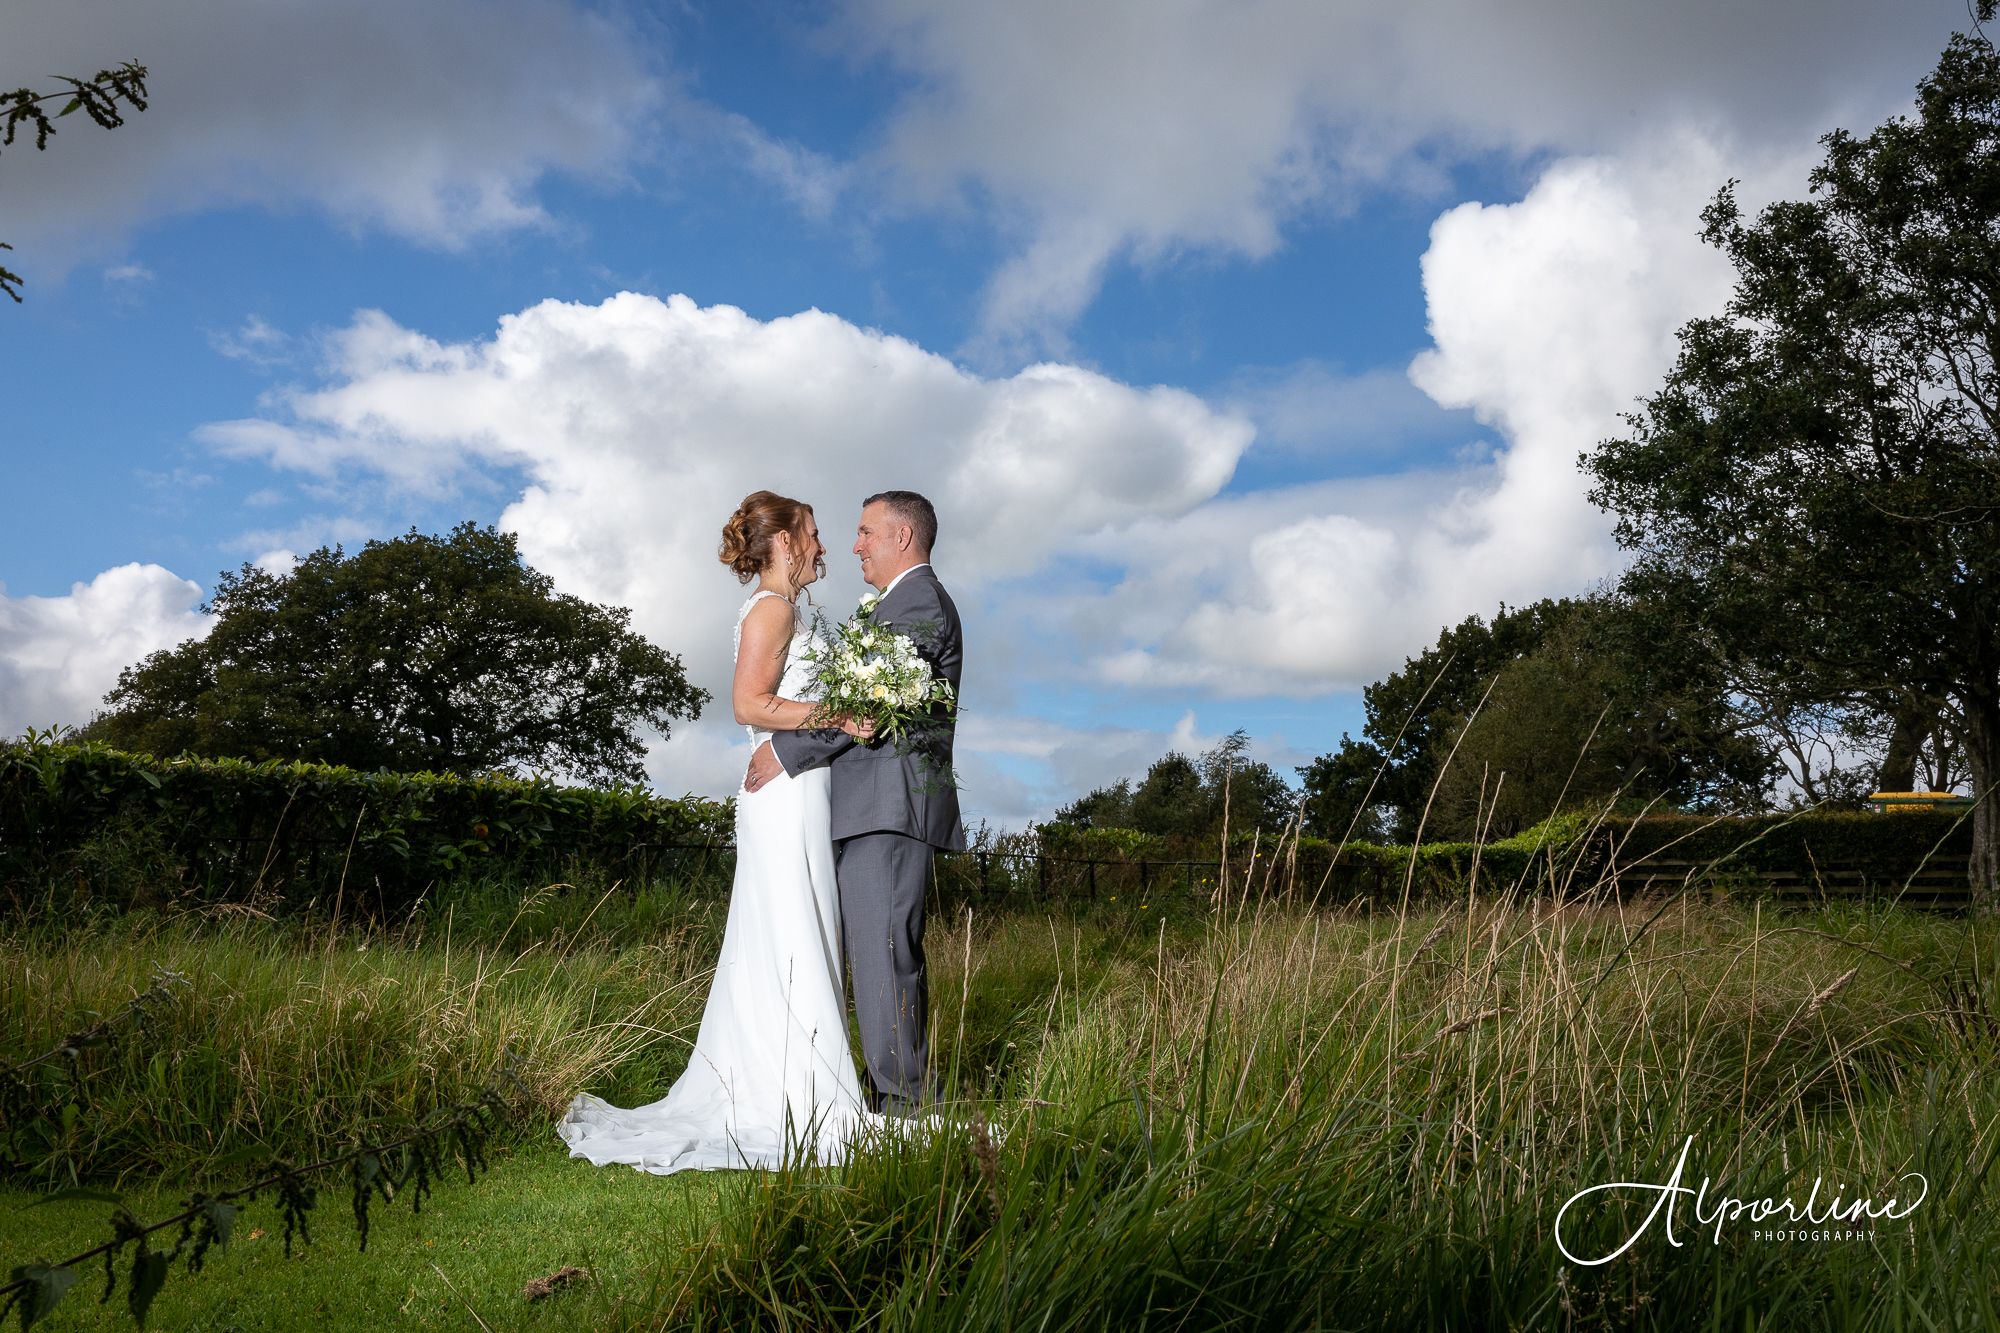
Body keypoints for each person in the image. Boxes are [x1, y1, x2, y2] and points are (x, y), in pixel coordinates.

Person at [557, 491, 877, 1172]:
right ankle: (796, 1093)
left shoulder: (792, 607)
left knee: (802, 929)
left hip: (802, 791)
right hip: (784, 797)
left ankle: (801, 1079)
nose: (823, 546)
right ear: (786, 540)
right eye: (814, 533)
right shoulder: (773, 608)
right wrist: (844, 710)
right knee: (790, 930)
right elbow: (747, 702)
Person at [744, 490, 965, 1116]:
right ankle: (888, 1088)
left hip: (889, 808)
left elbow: (876, 699)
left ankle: (907, 1103)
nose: (853, 544)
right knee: (874, 951)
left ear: (901, 537)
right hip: (868, 807)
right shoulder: (893, 605)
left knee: (884, 953)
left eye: (866, 531)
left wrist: (787, 752)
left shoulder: (919, 601)